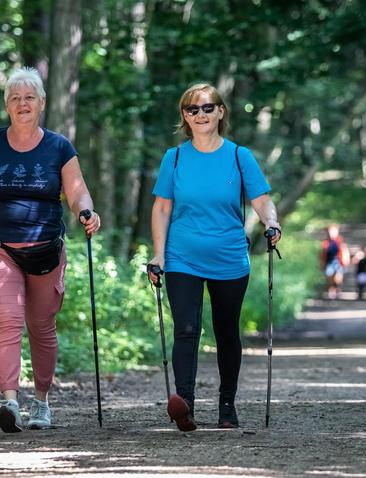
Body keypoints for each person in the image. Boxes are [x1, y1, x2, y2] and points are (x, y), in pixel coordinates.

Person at [0, 67, 101, 433]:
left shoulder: (58, 147)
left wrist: (86, 211)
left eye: (29, 98)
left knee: (41, 327)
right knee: (7, 320)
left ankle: (41, 401)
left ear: (42, 104)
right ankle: (9, 403)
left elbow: (76, 189)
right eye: (16, 98)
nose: (23, 104)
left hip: (46, 250)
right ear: (7, 105)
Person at [147, 83, 281, 431]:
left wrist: (271, 222)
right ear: (184, 117)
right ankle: (185, 405)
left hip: (229, 257)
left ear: (221, 111)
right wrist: (158, 255)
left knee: (226, 332)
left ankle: (227, 405)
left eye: (208, 108)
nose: (200, 114)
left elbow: (261, 198)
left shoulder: (239, 156)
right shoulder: (174, 157)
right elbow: (161, 208)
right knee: (187, 328)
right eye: (193, 109)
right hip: (182, 257)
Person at [319, 224, 350, 299]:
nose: (331, 233)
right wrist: (322, 263)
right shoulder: (325, 242)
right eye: (329, 231)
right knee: (329, 277)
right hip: (329, 262)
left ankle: (337, 288)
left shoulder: (340, 241)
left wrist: (346, 259)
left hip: (338, 261)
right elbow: (322, 254)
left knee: (338, 277)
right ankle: (331, 291)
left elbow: (344, 251)